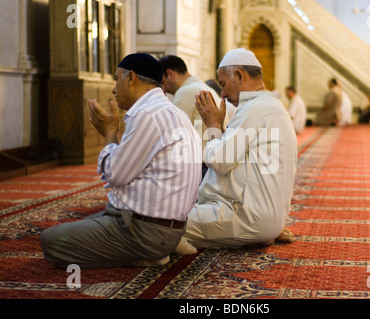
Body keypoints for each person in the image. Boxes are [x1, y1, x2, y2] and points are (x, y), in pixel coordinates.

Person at [40, 53, 202, 268]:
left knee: (51, 240)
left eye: (117, 79)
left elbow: (116, 175)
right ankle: (163, 246)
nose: (114, 89)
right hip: (165, 226)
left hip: (145, 232)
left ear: (131, 78)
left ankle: (146, 254)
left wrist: (109, 133)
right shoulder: (172, 112)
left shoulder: (148, 115)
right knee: (86, 222)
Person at [175, 48, 298, 252]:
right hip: (268, 218)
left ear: (240, 76)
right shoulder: (274, 107)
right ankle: (255, 235)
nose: (222, 94)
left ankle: (253, 234)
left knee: (159, 224)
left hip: (244, 216)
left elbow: (221, 163)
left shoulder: (254, 109)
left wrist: (213, 125)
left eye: (223, 84)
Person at [159, 55, 233, 177]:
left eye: (163, 83)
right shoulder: (203, 87)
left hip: (201, 166)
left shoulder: (185, 92)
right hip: (211, 162)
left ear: (170, 74)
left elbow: (170, 136)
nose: (164, 90)